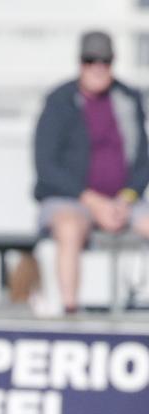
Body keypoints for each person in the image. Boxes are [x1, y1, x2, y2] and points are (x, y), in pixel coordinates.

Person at [34, 30, 149, 314]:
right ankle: (71, 312)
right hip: (71, 199)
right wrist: (94, 202)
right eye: (90, 60)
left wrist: (126, 197)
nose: (98, 67)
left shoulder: (127, 98)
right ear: (80, 62)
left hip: (124, 201)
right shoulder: (60, 100)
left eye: (105, 61)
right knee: (70, 228)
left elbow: (143, 159)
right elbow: (46, 165)